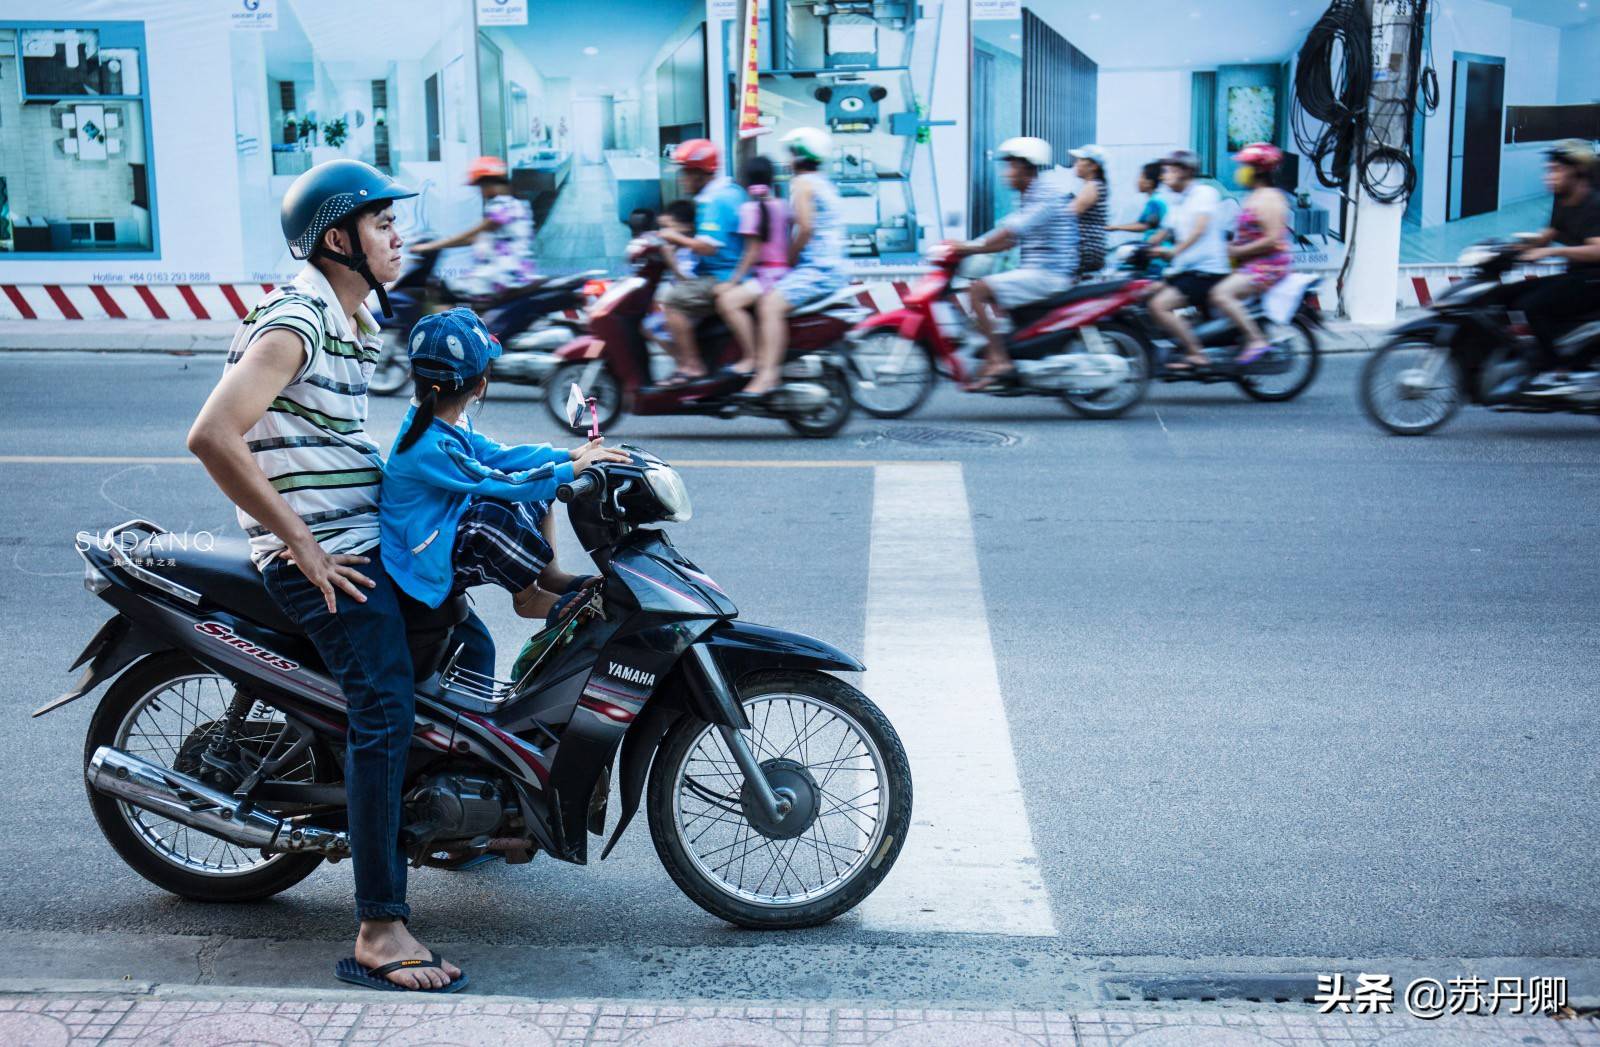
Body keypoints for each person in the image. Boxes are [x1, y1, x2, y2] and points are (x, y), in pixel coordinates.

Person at [187, 159, 491, 992]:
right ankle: (380, 926)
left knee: (470, 633)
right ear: (338, 239)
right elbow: (213, 434)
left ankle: (456, 822)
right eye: (383, 224)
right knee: (385, 706)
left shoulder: (352, 318)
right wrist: (305, 548)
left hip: (360, 536)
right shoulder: (298, 321)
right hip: (324, 556)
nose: (399, 236)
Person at [380, 308, 627, 620]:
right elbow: (495, 481)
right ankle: (528, 597)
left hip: (440, 525)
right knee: (494, 513)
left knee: (538, 485)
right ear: (480, 386)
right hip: (421, 560)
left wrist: (569, 456)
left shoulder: (444, 419)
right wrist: (569, 472)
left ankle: (549, 574)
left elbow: (497, 454)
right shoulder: (430, 446)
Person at [949, 136, 1078, 391]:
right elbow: (1007, 241)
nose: (1006, 174)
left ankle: (1000, 361)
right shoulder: (1030, 196)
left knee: (979, 290)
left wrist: (966, 247)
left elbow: (1010, 231)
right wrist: (968, 248)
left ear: (1027, 167)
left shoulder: (1046, 195)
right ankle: (1000, 351)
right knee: (986, 293)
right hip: (1039, 270)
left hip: (1049, 273)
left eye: (1011, 167)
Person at [739, 128, 850, 400]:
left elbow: (806, 227)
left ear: (799, 155)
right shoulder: (822, 181)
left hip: (817, 268)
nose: (787, 160)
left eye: (790, 154)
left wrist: (790, 256)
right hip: (831, 266)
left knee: (769, 305)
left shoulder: (802, 184)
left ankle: (768, 375)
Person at [655, 139, 748, 384]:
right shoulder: (733, 191)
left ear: (700, 173)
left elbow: (707, 246)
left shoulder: (714, 201)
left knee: (673, 301)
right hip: (731, 271)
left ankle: (691, 366)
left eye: (686, 172)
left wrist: (673, 237)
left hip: (722, 275)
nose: (682, 179)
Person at [1511, 140, 1600, 396]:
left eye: (1556, 170)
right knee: (1512, 296)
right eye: (1549, 170)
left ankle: (1555, 369)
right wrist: (1511, 248)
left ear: (1577, 172)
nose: (1549, 177)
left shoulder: (1593, 203)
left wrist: (1553, 251)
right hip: (1577, 276)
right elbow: (1548, 234)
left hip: (1594, 280)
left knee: (1532, 306)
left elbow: (1596, 249)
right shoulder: (1563, 200)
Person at [411, 157, 539, 309]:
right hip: (506, 275)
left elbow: (471, 234)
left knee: (444, 293)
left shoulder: (502, 207)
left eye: (481, 186)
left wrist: (430, 246)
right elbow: (472, 239)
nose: (481, 191)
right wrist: (439, 245)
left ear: (490, 183)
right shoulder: (515, 204)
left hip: (500, 277)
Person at [1146, 149, 1233, 370]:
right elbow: (1164, 230)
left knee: (1159, 306)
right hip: (1186, 270)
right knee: (1146, 292)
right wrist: (1145, 247)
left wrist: (1175, 250)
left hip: (1206, 271)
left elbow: (1199, 229)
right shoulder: (1178, 200)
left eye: (1170, 170)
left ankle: (1196, 354)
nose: (1164, 175)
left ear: (1185, 171)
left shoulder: (1204, 193)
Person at [1209, 142, 1292, 365]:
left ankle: (1256, 340)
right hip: (1249, 263)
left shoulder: (1270, 199)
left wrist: (1239, 249)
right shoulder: (1256, 195)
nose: (1240, 171)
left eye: (1245, 166)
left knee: (1221, 294)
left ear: (1258, 170)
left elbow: (1273, 239)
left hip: (1268, 265)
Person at [715, 155, 791, 375]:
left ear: (745, 181)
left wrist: (732, 281)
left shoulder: (749, 210)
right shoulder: (782, 206)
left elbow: (752, 251)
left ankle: (751, 356)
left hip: (766, 276)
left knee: (727, 302)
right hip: (782, 272)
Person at [1108, 161, 1172, 277]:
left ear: (1149, 183)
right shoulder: (1161, 199)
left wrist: (1115, 227)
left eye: (1141, 176)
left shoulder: (1155, 202)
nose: (1138, 180)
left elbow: (1145, 225)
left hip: (1156, 253)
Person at [1068, 145, 1110, 278]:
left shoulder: (1092, 186)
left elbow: (1068, 214)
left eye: (1080, 160)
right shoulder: (1094, 185)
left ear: (1093, 166)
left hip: (1086, 249)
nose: (1076, 164)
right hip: (1091, 248)